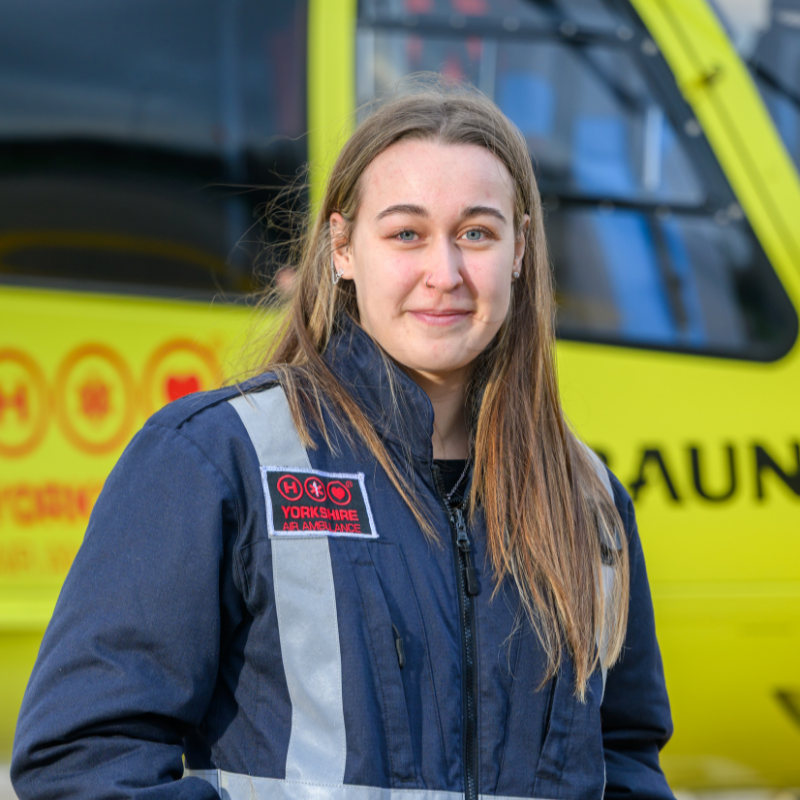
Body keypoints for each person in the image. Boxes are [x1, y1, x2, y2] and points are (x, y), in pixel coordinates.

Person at [11, 82, 674, 800]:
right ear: (342, 249)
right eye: (406, 234)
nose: (444, 273)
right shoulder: (215, 460)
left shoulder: (586, 499)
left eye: (477, 233)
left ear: (519, 250)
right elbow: (80, 766)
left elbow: (626, 764)